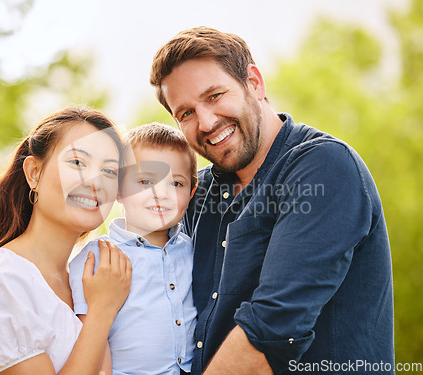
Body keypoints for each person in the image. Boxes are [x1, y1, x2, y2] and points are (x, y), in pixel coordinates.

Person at [150, 27, 394, 374]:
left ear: (254, 82)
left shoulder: (324, 167)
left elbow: (272, 329)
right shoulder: (194, 193)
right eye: (185, 113)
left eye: (215, 95)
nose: (205, 121)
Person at [0, 106, 132, 374]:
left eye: (109, 171)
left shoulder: (91, 279)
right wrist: (101, 312)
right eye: (77, 162)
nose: (95, 182)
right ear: (34, 173)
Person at [69, 123, 198, 374]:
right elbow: (85, 343)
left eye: (176, 184)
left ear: (191, 193)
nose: (161, 193)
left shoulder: (194, 250)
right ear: (118, 190)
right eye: (145, 180)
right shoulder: (96, 258)